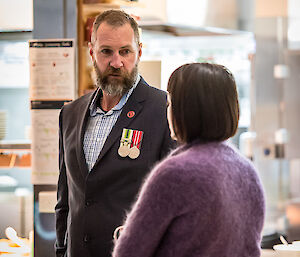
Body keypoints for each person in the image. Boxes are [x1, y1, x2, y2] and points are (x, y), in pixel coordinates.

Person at [112, 63, 266, 257]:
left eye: (170, 104)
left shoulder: (174, 173)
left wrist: (124, 234)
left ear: (182, 110)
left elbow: (129, 252)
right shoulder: (247, 171)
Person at [55, 10, 174, 257]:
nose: (116, 62)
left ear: (139, 52)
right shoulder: (70, 114)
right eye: (106, 51)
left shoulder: (163, 109)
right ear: (92, 52)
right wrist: (60, 250)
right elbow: (65, 199)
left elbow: (172, 200)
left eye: (125, 51)